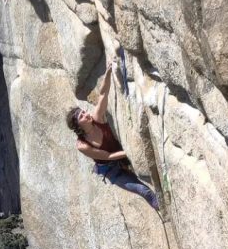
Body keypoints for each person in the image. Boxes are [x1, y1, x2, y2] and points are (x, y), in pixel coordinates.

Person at [66, 58, 160, 211]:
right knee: (143, 190)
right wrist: (128, 153)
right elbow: (107, 157)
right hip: (112, 170)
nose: (86, 114)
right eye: (82, 116)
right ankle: (162, 209)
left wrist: (108, 72)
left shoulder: (97, 118)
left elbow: (103, 94)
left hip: (121, 157)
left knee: (147, 182)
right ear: (79, 126)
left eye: (83, 111)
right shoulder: (83, 145)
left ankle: (161, 203)